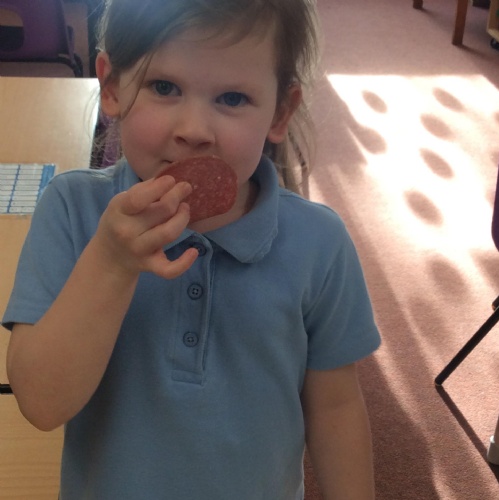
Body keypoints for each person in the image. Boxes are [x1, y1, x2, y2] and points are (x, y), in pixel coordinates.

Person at [3, 0, 381, 498]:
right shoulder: (72, 211)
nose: (195, 131)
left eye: (232, 98)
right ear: (112, 87)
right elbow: (41, 404)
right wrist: (110, 263)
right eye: (164, 87)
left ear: (279, 112)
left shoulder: (319, 244)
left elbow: (336, 409)